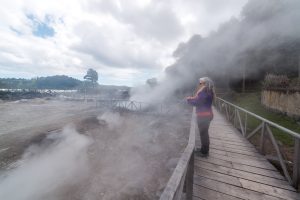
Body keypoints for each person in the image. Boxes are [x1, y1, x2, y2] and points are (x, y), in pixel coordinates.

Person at [186, 77, 215, 157]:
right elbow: (200, 100)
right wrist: (192, 98)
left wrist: (189, 100)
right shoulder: (208, 91)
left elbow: (198, 102)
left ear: (204, 83)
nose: (199, 84)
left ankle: (204, 152)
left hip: (203, 116)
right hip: (207, 115)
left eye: (200, 83)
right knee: (204, 133)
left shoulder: (204, 91)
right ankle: (203, 149)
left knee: (203, 134)